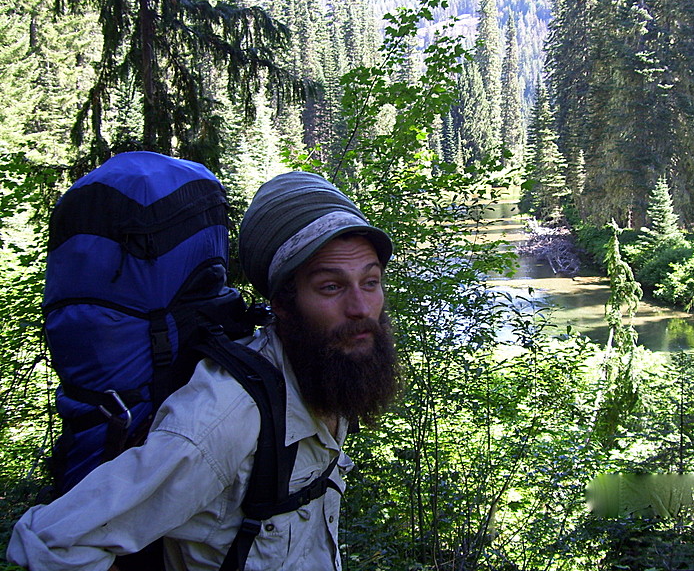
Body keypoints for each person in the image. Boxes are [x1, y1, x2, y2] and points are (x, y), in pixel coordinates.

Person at [6, 171, 401, 571]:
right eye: (331, 287)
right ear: (281, 304)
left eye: (370, 281)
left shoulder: (329, 370)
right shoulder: (222, 418)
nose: (361, 307)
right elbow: (54, 543)